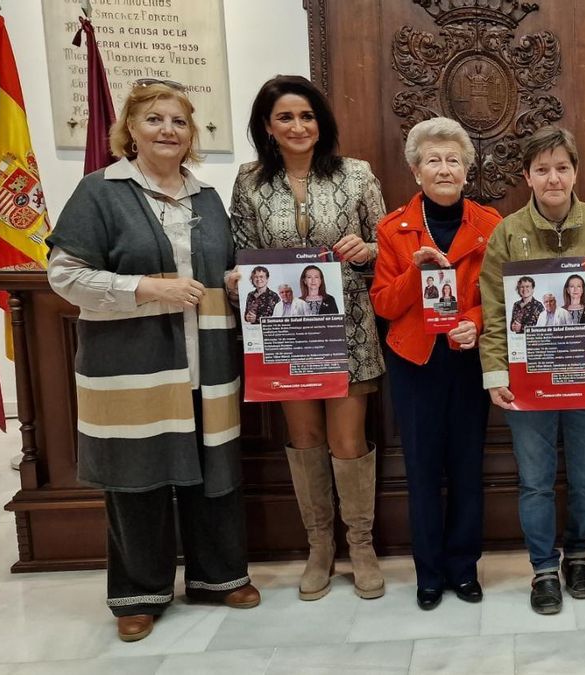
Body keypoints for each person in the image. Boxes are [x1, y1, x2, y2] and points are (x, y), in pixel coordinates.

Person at [46, 80, 259, 643]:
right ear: (130, 132)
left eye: (179, 122)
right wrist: (146, 289)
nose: (168, 130)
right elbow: (65, 276)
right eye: (155, 120)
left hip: (205, 359)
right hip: (131, 364)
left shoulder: (207, 197)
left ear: (191, 135)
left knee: (212, 468)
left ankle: (219, 577)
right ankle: (139, 592)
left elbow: (220, 271)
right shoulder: (100, 192)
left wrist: (238, 282)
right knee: (135, 476)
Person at [230, 75, 387, 601]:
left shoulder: (356, 175)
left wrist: (366, 250)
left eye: (307, 116)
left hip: (348, 331)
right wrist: (236, 280)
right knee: (305, 440)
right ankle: (319, 547)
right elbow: (242, 255)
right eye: (285, 118)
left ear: (321, 123)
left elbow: (387, 248)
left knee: (347, 441)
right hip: (284, 336)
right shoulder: (250, 182)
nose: (298, 126)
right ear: (267, 128)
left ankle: (360, 545)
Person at [479, 125, 585, 614]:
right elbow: (491, 309)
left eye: (562, 168)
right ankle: (544, 569)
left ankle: (580, 557)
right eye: (542, 169)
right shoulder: (506, 232)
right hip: (529, 383)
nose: (553, 178)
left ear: (576, 173)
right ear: (527, 175)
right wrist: (495, 373)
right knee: (535, 481)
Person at [370, 117, 501, 610]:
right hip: (416, 362)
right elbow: (383, 303)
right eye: (433, 160)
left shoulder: (491, 225)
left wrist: (474, 321)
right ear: (415, 170)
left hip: (467, 361)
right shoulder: (392, 229)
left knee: (468, 468)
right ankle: (428, 573)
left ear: (468, 171)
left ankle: (464, 569)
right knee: (423, 470)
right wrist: (414, 272)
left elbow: (501, 298)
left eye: (454, 160)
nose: (444, 169)